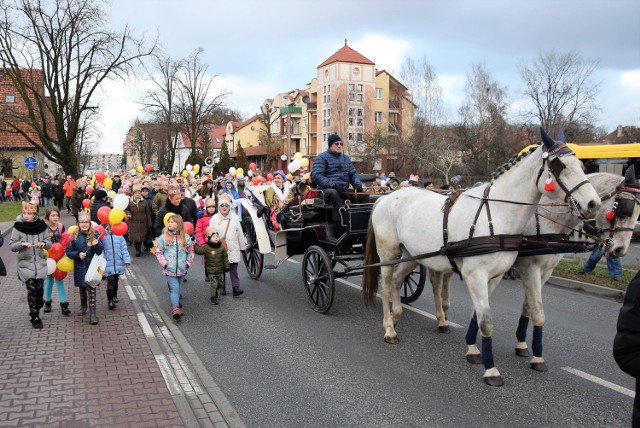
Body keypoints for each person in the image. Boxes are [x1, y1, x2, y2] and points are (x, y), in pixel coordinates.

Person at [9, 202, 51, 329]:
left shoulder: (42, 226)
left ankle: (37, 306)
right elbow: (12, 246)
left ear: (35, 214)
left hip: (40, 264)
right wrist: (21, 244)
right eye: (25, 213)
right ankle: (35, 317)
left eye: (30, 213)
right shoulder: (18, 227)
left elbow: (49, 243)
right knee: (31, 291)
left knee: (40, 292)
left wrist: (43, 243)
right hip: (26, 265)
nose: (27, 216)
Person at [311, 133, 363, 221]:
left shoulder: (346, 158)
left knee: (363, 196)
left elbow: (353, 173)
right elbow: (317, 175)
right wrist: (333, 185)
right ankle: (341, 220)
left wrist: (357, 184)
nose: (339, 146)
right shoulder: (321, 158)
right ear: (330, 145)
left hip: (343, 190)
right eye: (337, 144)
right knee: (333, 193)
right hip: (325, 191)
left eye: (341, 144)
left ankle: (362, 219)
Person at [66, 210, 104, 324]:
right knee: (82, 289)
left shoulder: (95, 235)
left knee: (91, 290)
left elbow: (100, 252)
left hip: (92, 268)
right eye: (82, 222)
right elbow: (68, 251)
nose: (84, 224)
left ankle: (93, 314)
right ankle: (83, 306)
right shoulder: (74, 236)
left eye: (86, 222)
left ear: (90, 223)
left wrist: (97, 244)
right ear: (78, 223)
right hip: (80, 268)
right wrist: (77, 254)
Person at [155, 214, 194, 320]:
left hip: (182, 269)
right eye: (169, 222)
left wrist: (187, 263)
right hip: (169, 269)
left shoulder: (185, 237)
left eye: (172, 222)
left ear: (178, 224)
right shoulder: (164, 237)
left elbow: (190, 251)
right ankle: (175, 309)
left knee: (179, 289)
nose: (169, 224)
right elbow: (159, 252)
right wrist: (164, 263)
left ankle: (176, 304)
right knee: (174, 288)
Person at [209, 194, 245, 297]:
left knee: (233, 269)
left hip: (233, 247)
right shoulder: (214, 219)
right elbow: (210, 233)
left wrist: (242, 247)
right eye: (222, 206)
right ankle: (222, 287)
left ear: (229, 207)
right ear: (219, 207)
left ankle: (235, 288)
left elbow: (240, 233)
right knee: (221, 269)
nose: (224, 208)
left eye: (226, 206)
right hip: (220, 248)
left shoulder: (235, 218)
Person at [43, 206, 71, 316]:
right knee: (49, 281)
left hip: (59, 258)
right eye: (52, 215)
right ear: (47, 217)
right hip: (48, 259)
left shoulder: (61, 227)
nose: (55, 217)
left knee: (59, 280)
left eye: (57, 215)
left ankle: (64, 304)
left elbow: (64, 241)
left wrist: (61, 253)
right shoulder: (44, 228)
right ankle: (47, 302)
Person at [194, 228, 229, 305]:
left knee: (221, 283)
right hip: (211, 271)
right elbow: (199, 251)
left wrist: (227, 266)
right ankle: (213, 298)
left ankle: (215, 291)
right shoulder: (206, 247)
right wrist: (195, 246)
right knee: (214, 284)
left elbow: (225, 258)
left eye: (217, 236)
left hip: (220, 270)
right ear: (209, 238)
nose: (216, 237)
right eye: (213, 236)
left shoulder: (222, 247)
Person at [101, 223, 131, 310]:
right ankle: (110, 301)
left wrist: (126, 260)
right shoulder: (103, 237)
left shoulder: (119, 236)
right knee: (110, 282)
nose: (111, 227)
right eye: (110, 225)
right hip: (108, 263)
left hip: (118, 262)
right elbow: (101, 250)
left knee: (115, 281)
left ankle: (114, 295)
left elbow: (124, 249)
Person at [126, 184, 151, 257]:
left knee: (142, 236)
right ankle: (138, 250)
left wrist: (149, 222)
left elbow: (148, 213)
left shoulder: (144, 202)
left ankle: (143, 247)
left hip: (143, 222)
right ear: (133, 194)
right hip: (133, 222)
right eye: (136, 193)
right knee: (136, 238)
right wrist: (128, 214)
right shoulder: (129, 202)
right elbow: (126, 210)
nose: (138, 194)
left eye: (139, 193)